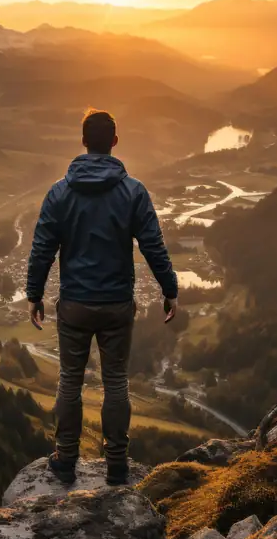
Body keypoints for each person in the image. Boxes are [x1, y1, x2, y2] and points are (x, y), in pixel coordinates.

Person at [26, 107, 178, 487]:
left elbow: (43, 247)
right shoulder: (133, 191)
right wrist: (169, 289)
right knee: (115, 383)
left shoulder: (59, 192)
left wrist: (34, 293)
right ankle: (116, 465)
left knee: (69, 381)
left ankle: (65, 460)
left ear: (83, 141)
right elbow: (153, 246)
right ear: (114, 141)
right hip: (116, 305)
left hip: (75, 304)